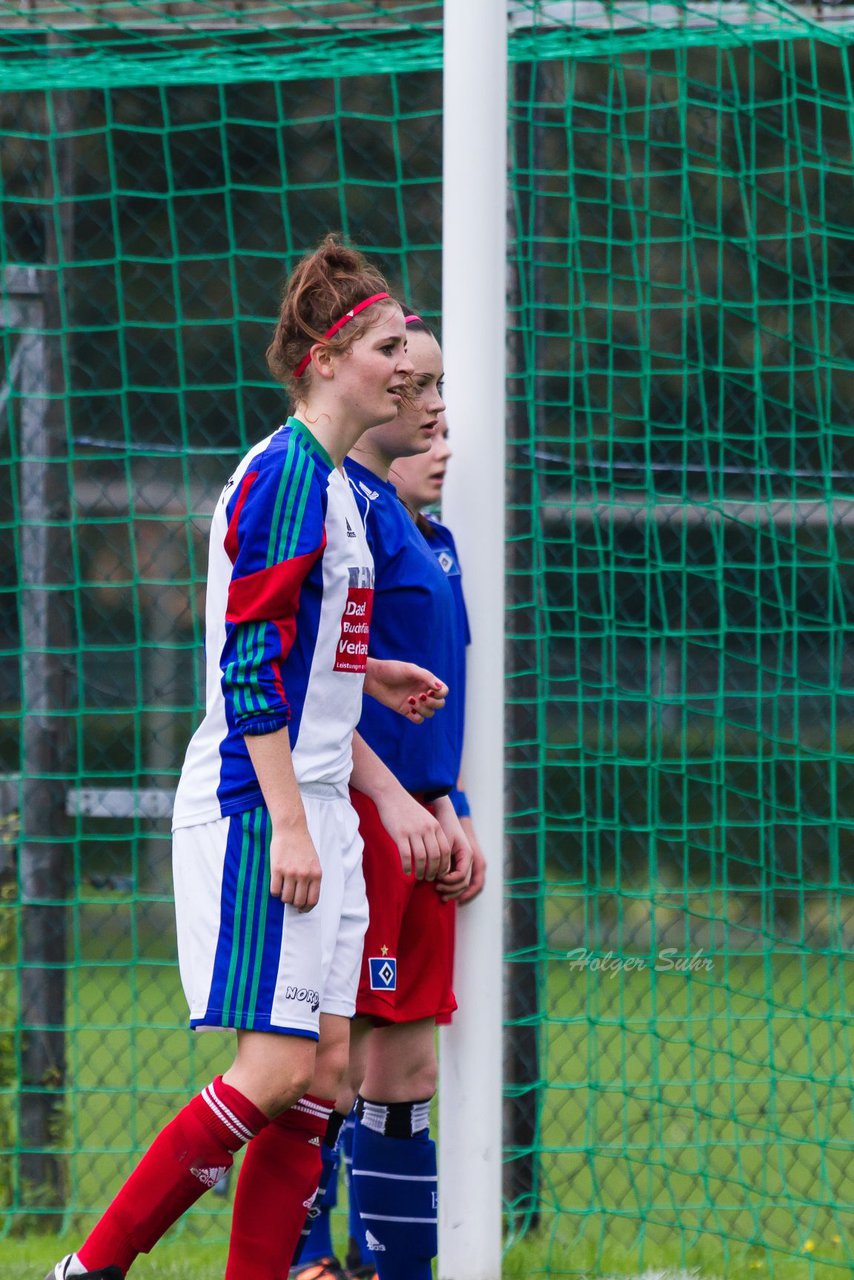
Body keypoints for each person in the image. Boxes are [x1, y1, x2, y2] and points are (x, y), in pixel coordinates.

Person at [44, 241, 457, 1280]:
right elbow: (247, 662)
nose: (404, 366)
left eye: (403, 344)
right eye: (384, 346)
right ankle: (89, 1267)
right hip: (254, 803)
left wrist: (372, 676)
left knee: (320, 1074)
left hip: (314, 794)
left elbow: (306, 645)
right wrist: (283, 817)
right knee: (273, 1067)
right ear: (326, 358)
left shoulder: (330, 487)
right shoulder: (283, 476)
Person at [292, 313, 485, 1280]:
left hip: (420, 821)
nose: (435, 409)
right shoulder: (338, 506)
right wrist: (400, 803)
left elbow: (428, 701)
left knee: (405, 1071)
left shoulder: (432, 536)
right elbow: (318, 678)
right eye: (419, 386)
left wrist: (447, 804)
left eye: (444, 392)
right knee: (331, 1059)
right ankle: (302, 1259)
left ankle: (397, 1267)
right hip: (362, 821)